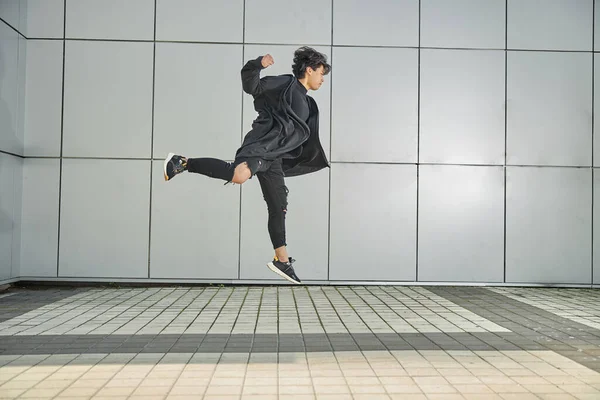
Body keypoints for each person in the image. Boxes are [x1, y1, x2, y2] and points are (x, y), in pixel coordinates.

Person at [163, 46, 331, 285]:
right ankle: (183, 162)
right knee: (239, 175)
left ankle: (282, 261)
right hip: (261, 146)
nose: (322, 79)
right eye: (321, 73)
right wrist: (257, 65)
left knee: (278, 206)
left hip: (275, 157)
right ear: (309, 69)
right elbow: (253, 86)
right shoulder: (286, 84)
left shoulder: (308, 103)